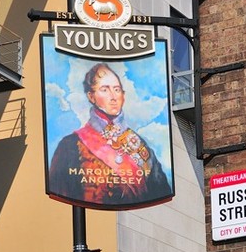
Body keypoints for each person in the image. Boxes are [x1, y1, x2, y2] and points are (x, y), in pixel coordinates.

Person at [48, 62, 172, 210]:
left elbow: (160, 192)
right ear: (91, 96)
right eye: (104, 90)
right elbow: (60, 191)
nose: (113, 97)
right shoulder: (70, 145)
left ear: (123, 96)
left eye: (117, 89)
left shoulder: (140, 146)